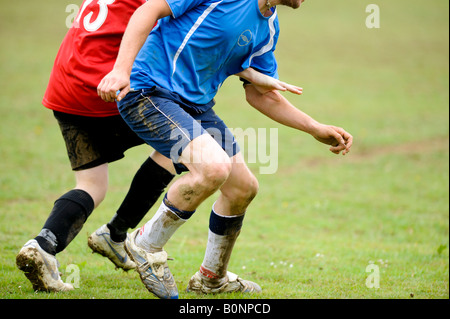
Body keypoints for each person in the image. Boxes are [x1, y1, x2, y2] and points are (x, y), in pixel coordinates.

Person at [15, 0, 298, 294]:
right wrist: (243, 70)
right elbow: (190, 35)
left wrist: (244, 70)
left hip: (68, 85)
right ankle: (128, 238)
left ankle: (44, 245)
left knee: (92, 185)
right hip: (114, 81)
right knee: (183, 143)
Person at [97, 0, 353, 299]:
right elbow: (148, 9)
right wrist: (120, 70)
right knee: (213, 167)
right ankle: (145, 245)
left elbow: (261, 94)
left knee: (243, 188)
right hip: (149, 91)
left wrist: (315, 127)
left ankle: (211, 278)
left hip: (194, 107)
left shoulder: (269, 27)